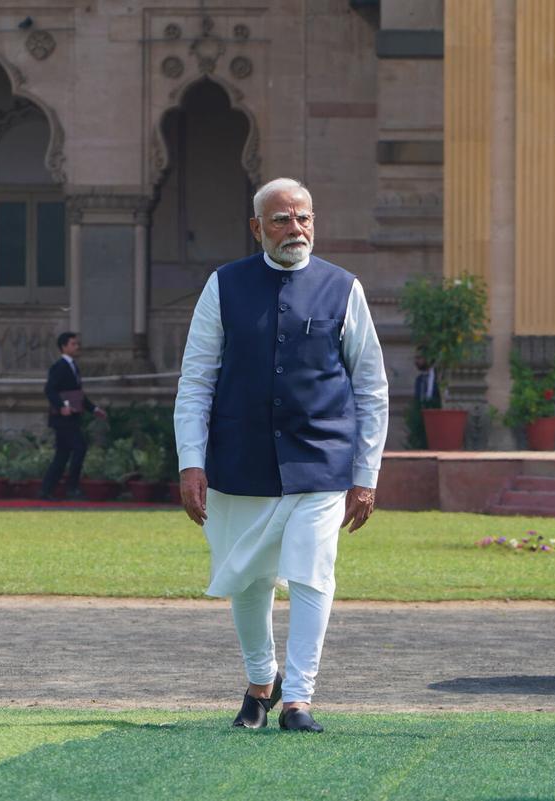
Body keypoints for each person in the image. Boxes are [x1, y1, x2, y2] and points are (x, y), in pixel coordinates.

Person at [174, 177, 389, 733]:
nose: (295, 229)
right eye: (281, 219)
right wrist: (190, 462)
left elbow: (371, 386)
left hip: (321, 460)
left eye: (304, 218)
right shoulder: (224, 285)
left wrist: (365, 475)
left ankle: (298, 699)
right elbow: (196, 380)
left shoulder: (343, 288)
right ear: (257, 228)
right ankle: (260, 680)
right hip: (239, 461)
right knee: (247, 580)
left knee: (313, 576)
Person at [40, 332, 105, 501]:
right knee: (79, 447)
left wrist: (94, 409)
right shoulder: (59, 366)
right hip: (63, 419)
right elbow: (50, 390)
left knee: (62, 455)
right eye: (74, 344)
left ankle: (46, 490)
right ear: (64, 347)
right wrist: (61, 407)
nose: (77, 347)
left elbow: (78, 394)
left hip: (72, 416)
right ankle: (72, 487)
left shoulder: (73, 367)